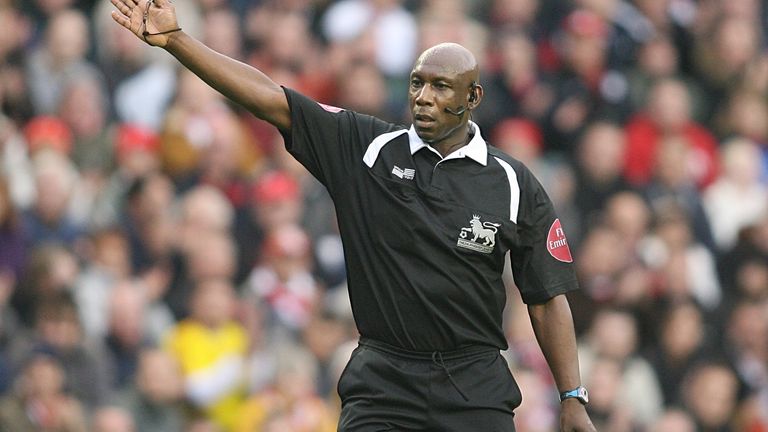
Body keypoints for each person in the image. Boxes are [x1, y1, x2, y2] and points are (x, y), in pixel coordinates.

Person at [109, 1, 596, 430]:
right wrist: (177, 40)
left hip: (475, 386)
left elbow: (546, 298)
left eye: (441, 87)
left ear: (473, 99)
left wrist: (572, 396)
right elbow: (269, 98)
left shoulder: (512, 183)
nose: (423, 97)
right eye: (417, 83)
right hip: (383, 382)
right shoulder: (367, 149)